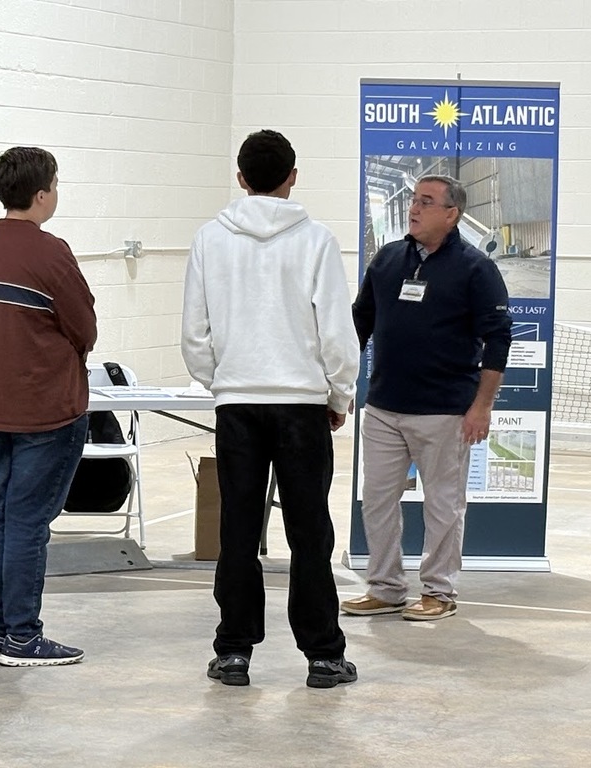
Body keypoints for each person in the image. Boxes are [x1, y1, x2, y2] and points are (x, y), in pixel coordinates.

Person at [181, 129, 360, 689]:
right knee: (311, 533)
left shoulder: (210, 239)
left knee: (237, 530)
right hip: (301, 408)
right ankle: (324, 657)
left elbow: (194, 334)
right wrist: (336, 395)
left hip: (239, 405)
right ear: (293, 176)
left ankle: (233, 651)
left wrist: (226, 383)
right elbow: (336, 331)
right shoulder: (316, 240)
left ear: (240, 178)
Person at [341, 174, 512, 622]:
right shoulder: (388, 259)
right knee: (376, 499)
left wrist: (482, 406)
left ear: (451, 214)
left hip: (445, 411)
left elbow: (498, 339)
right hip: (383, 408)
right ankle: (385, 587)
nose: (414, 208)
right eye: (414, 200)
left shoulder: (476, 268)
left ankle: (438, 591)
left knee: (442, 504)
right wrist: (338, 387)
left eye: (427, 202)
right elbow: (359, 325)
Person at [0, 147, 97, 667]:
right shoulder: (51, 252)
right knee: (28, 523)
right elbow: (83, 326)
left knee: (2, 518)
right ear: (42, 194)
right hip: (45, 408)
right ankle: (22, 634)